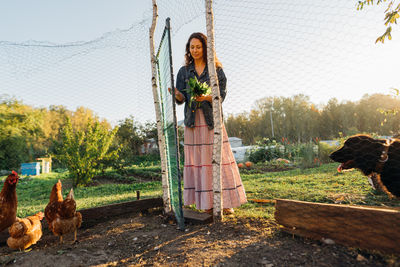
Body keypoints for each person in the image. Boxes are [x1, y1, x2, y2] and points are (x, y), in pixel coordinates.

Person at [172, 32, 247, 214]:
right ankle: (206, 204)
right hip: (192, 121)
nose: (195, 50)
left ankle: (225, 203)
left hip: (211, 120)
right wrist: (177, 95)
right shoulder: (184, 71)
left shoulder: (215, 69)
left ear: (205, 48)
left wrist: (206, 96)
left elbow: (221, 94)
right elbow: (181, 99)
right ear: (188, 50)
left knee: (218, 159)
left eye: (198, 47)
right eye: (192, 47)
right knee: (198, 162)